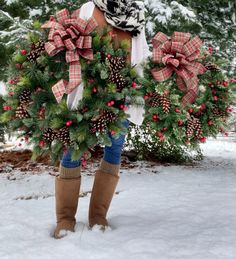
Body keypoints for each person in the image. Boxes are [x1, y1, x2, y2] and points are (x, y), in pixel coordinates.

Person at [54, 0, 150, 239]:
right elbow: (72, 43)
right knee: (72, 150)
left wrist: (140, 90)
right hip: (88, 93)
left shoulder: (136, 14)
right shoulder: (89, 8)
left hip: (120, 95)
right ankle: (65, 219)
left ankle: (98, 215)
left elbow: (142, 54)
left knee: (114, 148)